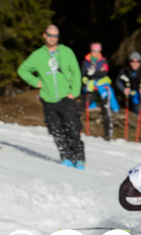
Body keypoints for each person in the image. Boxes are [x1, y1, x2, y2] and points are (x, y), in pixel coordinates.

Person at [17, 25, 85, 169]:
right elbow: (22, 70)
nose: (52, 38)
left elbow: (76, 72)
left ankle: (78, 158)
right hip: (48, 99)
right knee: (56, 130)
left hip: (66, 97)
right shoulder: (38, 55)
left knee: (72, 128)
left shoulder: (66, 52)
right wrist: (36, 82)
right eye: (50, 35)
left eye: (55, 36)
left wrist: (74, 91)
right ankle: (65, 156)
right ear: (44, 35)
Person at [81, 42, 115, 141]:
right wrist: (87, 78)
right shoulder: (86, 61)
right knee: (83, 105)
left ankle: (108, 134)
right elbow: (83, 74)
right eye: (94, 51)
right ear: (91, 51)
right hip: (91, 88)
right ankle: (76, 127)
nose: (95, 53)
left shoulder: (104, 61)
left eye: (97, 51)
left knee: (105, 109)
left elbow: (104, 72)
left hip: (102, 88)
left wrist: (93, 73)